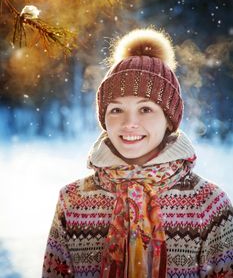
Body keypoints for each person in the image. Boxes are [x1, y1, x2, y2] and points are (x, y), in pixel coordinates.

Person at [42, 28, 233, 278]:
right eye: (116, 110)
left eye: (145, 109)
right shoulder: (73, 201)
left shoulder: (208, 204)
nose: (129, 123)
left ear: (169, 120)